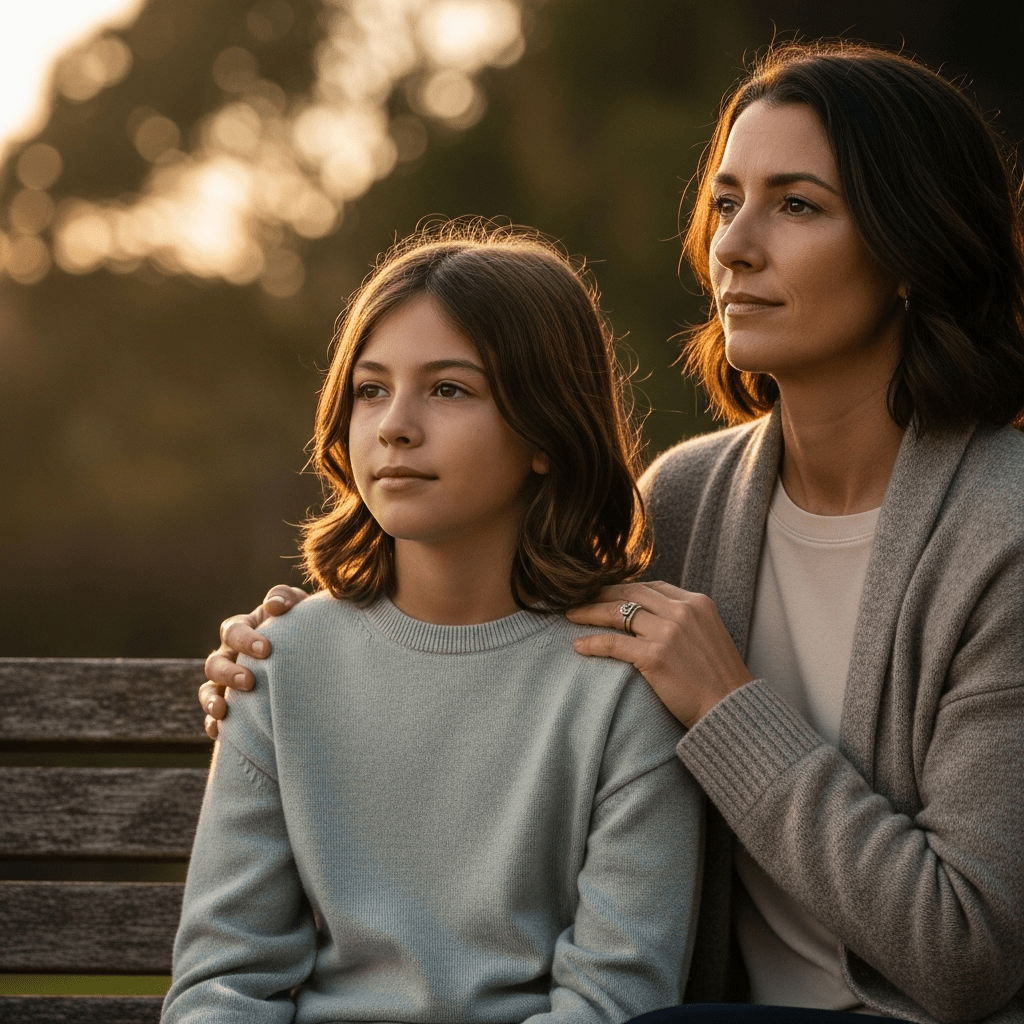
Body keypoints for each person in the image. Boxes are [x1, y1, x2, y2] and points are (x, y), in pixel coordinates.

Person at [200, 42, 1024, 1023]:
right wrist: (306, 646)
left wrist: (729, 707)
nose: (735, 245)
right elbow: (504, 626)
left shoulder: (1000, 530)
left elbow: (967, 952)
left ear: (910, 248)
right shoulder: (683, 500)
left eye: (795, 204)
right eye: (724, 204)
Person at [162, 225, 704, 1024]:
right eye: (371, 389)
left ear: (547, 433)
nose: (395, 426)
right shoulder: (281, 662)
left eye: (449, 389)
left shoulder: (623, 684)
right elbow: (222, 983)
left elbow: (612, 1000)